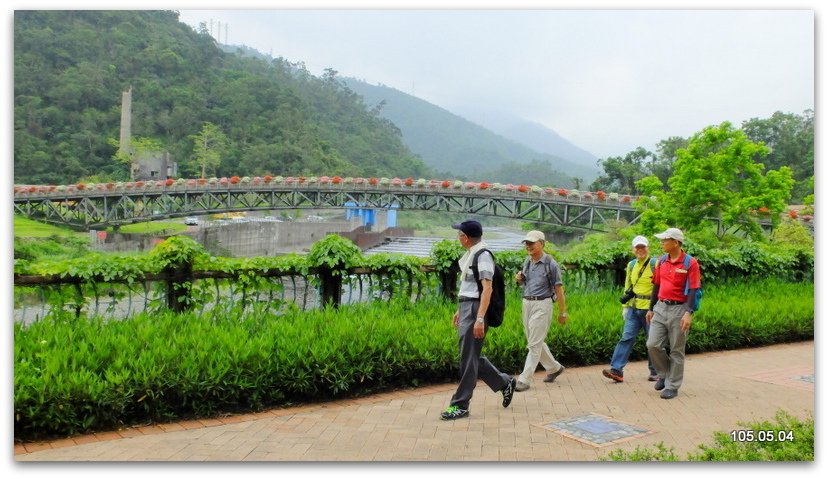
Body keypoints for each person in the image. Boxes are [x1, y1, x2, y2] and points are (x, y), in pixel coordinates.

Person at [440, 220, 516, 420]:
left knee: (468, 358)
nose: (458, 237)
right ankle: (503, 382)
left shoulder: (482, 257)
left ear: (465, 237)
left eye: (459, 234)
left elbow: (487, 288)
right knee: (470, 355)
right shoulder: (472, 255)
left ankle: (460, 404)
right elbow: (470, 288)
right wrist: (460, 309)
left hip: (475, 309)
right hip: (468, 306)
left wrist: (480, 318)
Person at [645, 227, 701, 400]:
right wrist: (651, 308)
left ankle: (672, 386)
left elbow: (693, 289)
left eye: (665, 240)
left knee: (676, 350)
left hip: (680, 309)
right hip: (661, 307)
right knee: (652, 344)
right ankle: (664, 374)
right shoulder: (661, 261)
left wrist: (688, 313)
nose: (661, 242)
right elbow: (656, 286)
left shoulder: (690, 263)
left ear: (675, 242)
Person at [513, 230, 568, 392]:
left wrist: (562, 312)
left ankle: (524, 379)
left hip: (543, 304)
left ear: (542, 244)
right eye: (527, 243)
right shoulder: (527, 261)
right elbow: (525, 281)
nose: (528, 246)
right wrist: (519, 279)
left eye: (532, 243)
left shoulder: (551, 263)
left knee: (534, 344)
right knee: (534, 340)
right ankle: (554, 368)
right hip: (527, 303)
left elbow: (559, 289)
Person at [602, 235, 658, 383]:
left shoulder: (655, 264)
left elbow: (660, 286)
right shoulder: (632, 265)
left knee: (652, 341)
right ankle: (616, 370)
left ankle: (655, 371)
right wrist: (625, 307)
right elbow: (628, 287)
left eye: (643, 247)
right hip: (634, 309)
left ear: (648, 248)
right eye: (637, 247)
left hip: (650, 310)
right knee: (626, 338)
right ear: (633, 249)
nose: (640, 250)